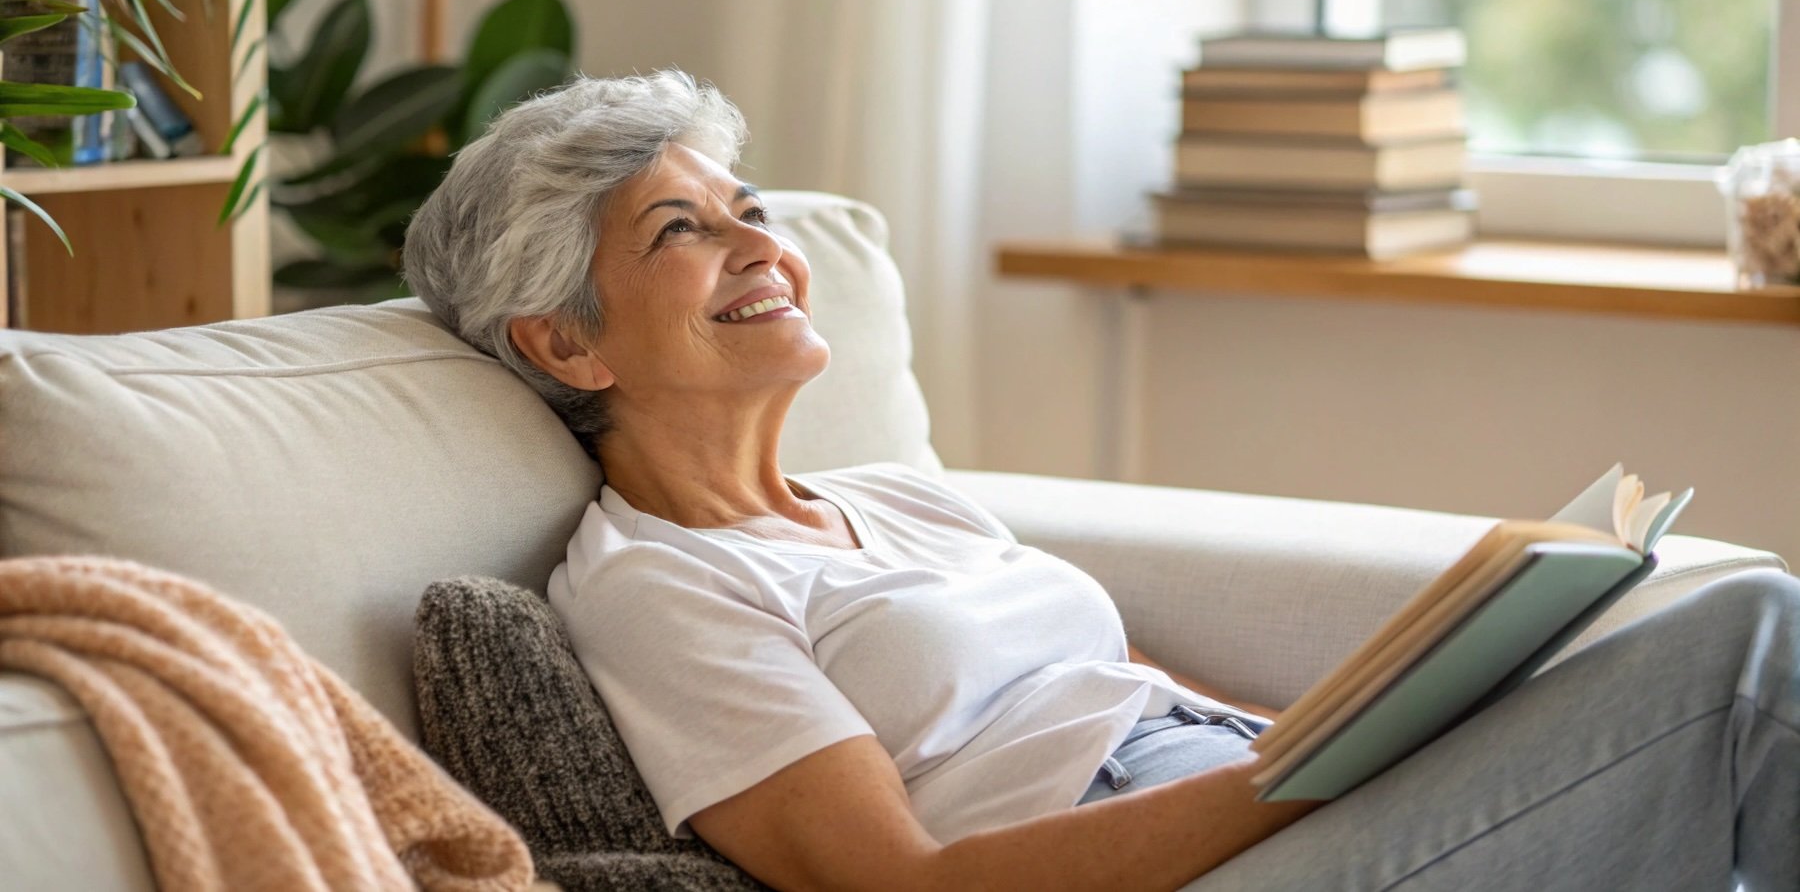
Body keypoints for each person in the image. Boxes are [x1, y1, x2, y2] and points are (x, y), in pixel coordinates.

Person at [402, 70, 1800, 891]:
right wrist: (1301, 779)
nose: (758, 245)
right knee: (1743, 645)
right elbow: (903, 883)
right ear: (564, 340)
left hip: (1255, 804)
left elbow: (1135, 687)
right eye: (682, 231)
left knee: (1699, 637)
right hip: (1206, 867)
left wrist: (1412, 708)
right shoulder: (661, 586)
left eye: (750, 210)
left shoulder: (902, 499)